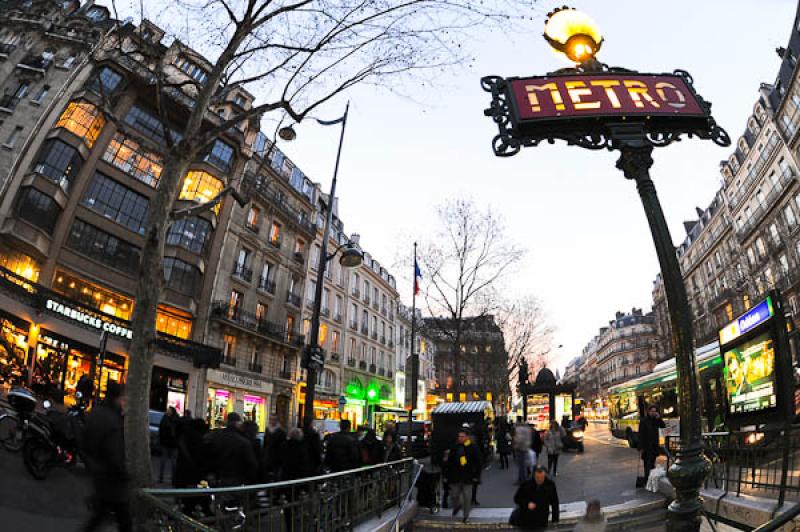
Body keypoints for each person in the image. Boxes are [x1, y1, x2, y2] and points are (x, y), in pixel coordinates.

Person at [81, 381, 131, 532]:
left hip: (99, 475)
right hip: (112, 480)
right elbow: (114, 452)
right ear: (118, 397)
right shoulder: (113, 419)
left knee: (98, 518)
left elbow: (84, 440)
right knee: (125, 523)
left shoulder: (96, 412)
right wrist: (123, 473)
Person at [203, 412, 258, 486]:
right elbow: (251, 464)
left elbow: (208, 456)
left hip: (218, 477)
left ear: (226, 422)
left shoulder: (215, 437)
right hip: (236, 479)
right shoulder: (243, 441)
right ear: (238, 423)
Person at [446, 429, 481, 523]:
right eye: (459, 436)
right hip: (456, 475)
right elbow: (450, 461)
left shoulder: (472, 447)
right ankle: (457, 506)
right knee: (454, 495)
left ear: (467, 437)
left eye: (462, 436)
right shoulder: (455, 447)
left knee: (467, 497)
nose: (460, 438)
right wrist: (447, 474)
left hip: (468, 476)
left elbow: (478, 462)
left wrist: (476, 475)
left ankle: (466, 516)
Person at [511, 465, 560, 531]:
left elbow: (555, 502)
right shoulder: (526, 484)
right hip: (526, 520)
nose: (540, 480)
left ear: (545, 475)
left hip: (541, 521)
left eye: (542, 477)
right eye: (537, 477)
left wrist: (555, 520)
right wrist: (527, 504)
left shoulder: (550, 485)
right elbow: (517, 498)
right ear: (533, 476)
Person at [638, 405, 666, 482]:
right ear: (648, 411)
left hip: (654, 446)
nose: (653, 413)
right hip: (646, 446)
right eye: (652, 411)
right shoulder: (644, 421)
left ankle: (650, 479)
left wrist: (659, 418)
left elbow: (663, 426)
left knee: (652, 463)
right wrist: (641, 447)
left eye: (655, 411)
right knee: (647, 463)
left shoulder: (656, 420)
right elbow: (641, 434)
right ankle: (648, 479)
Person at [261, 414, 287, 481]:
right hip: (268, 456)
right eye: (271, 419)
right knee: (267, 475)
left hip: (277, 457)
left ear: (277, 420)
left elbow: (283, 446)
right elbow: (265, 443)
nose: (272, 421)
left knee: (276, 475)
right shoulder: (267, 429)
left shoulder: (282, 431)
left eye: (274, 419)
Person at [158, 406, 179, 483]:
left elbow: (178, 432)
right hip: (166, 444)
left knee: (174, 463)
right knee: (163, 462)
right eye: (167, 410)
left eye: (169, 410)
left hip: (173, 444)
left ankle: (174, 479)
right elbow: (161, 431)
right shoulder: (164, 419)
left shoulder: (176, 419)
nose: (167, 411)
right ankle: (160, 478)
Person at [512, 419, 532, 484]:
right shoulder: (528, 429)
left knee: (521, 465)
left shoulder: (519, 430)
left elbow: (519, 439)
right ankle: (523, 478)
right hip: (525, 448)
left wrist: (515, 444)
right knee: (523, 465)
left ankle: (522, 480)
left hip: (520, 448)